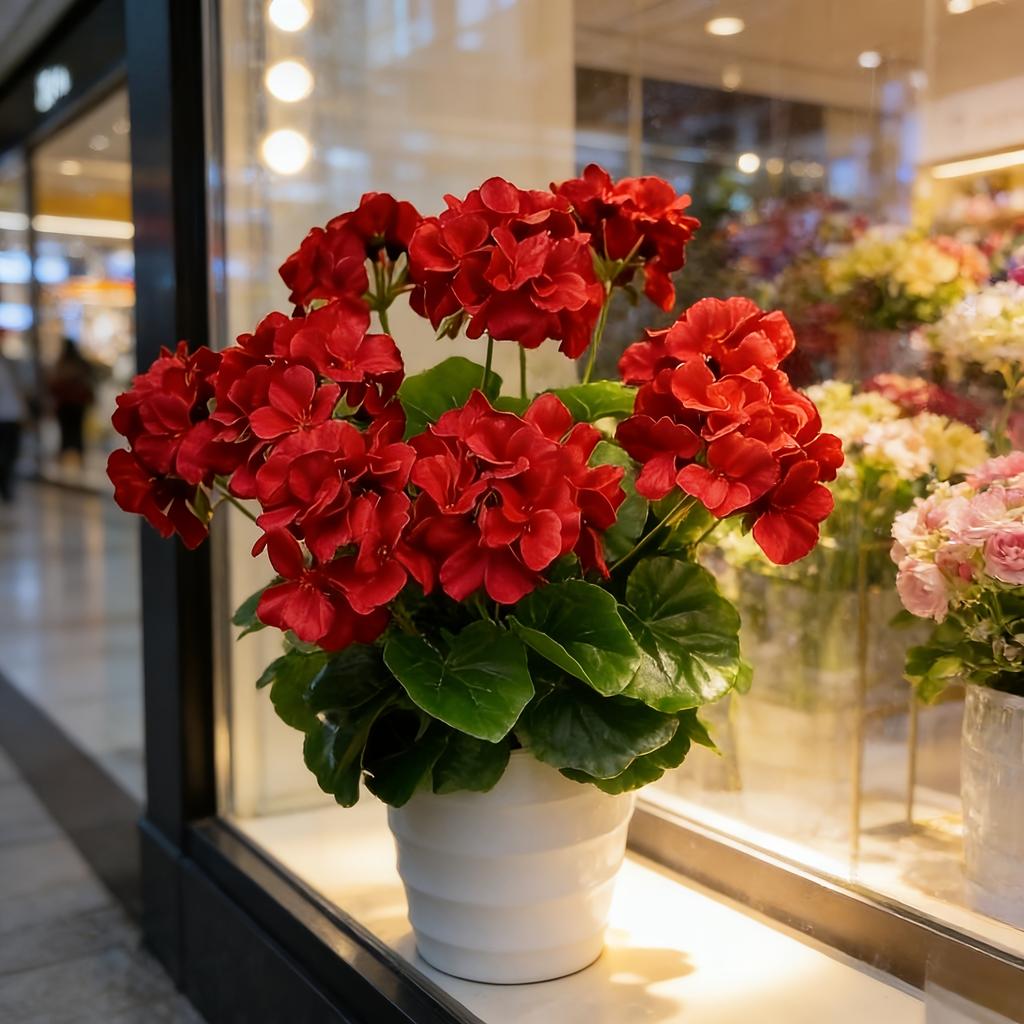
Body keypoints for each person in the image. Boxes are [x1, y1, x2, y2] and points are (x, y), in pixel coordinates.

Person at [48, 338, 94, 464]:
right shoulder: (79, 363)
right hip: (77, 402)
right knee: (77, 430)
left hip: (66, 403)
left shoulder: (61, 363)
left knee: (66, 430)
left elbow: (53, 383)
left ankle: (64, 455)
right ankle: (79, 455)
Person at [0, 348, 26, 503]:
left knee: (11, 454)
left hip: (11, 417)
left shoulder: (11, 366)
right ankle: (5, 486)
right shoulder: (10, 366)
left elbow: (18, 391)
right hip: (6, 417)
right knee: (7, 454)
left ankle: (6, 486)